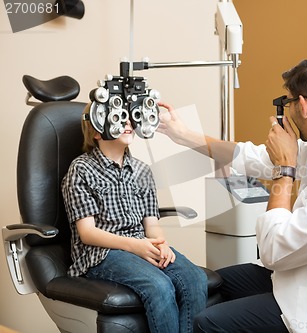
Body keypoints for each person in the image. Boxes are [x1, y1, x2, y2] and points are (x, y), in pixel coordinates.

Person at [157, 55, 307, 332]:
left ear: (303, 105)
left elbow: (274, 250)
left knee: (207, 323)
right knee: (212, 285)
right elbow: (249, 156)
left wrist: (284, 171)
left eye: (287, 102)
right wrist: (181, 134)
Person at [61, 103, 208, 333]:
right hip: (102, 254)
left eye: (129, 117)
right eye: (118, 118)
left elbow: (152, 224)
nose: (128, 122)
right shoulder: (81, 169)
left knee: (195, 279)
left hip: (141, 244)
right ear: (98, 131)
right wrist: (135, 246)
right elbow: (87, 233)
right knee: (159, 286)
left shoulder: (142, 170)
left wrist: (161, 243)